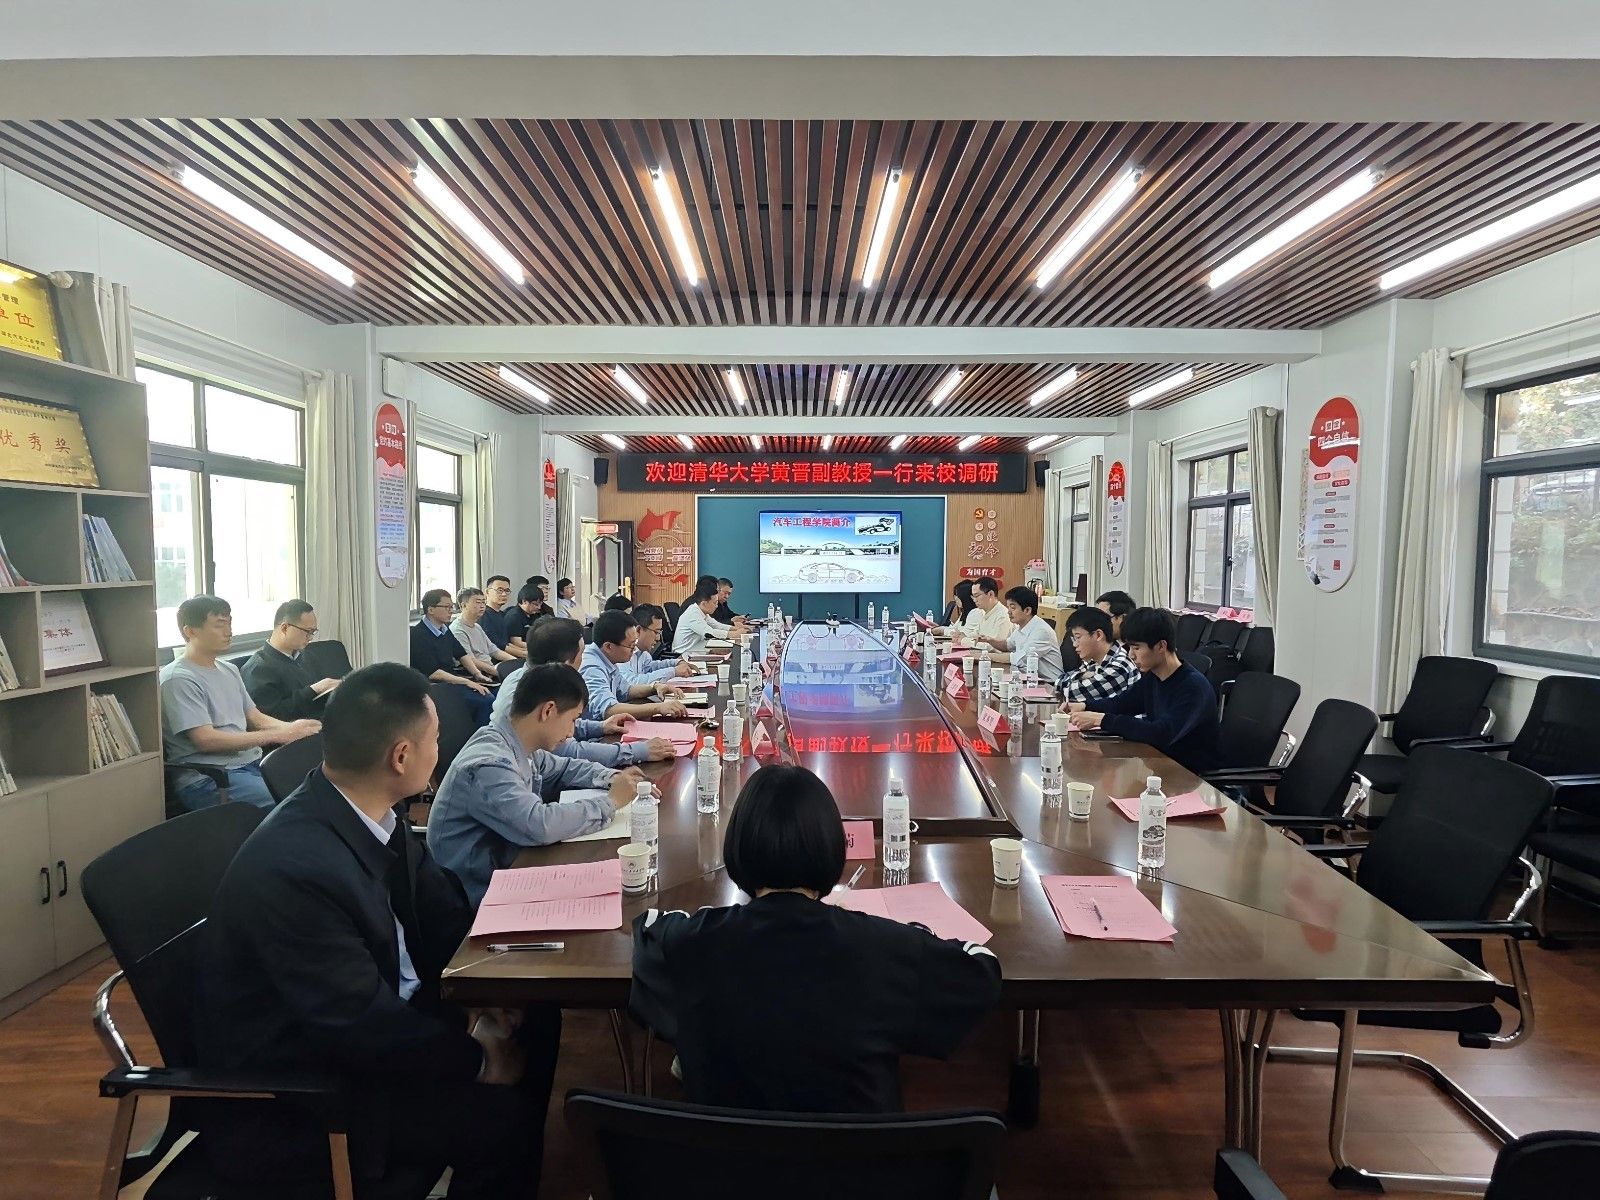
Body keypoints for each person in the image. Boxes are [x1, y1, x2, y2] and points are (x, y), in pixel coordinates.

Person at [194, 663, 561, 1199]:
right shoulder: (295, 871)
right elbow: (357, 1027)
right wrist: (479, 1058)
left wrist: (487, 997)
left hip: (381, 1019)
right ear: (401, 757)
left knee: (537, 1017)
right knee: (502, 1121)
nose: (441, 751)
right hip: (311, 1091)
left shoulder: (370, 814)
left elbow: (441, 915)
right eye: (436, 739)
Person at [630, 765, 1000, 1112]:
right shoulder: (886, 948)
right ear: (831, 847)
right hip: (860, 1160)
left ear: (738, 846)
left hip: (723, 1158)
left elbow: (649, 929)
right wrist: (915, 934)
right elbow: (981, 970)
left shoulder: (693, 941)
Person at [428, 663, 652, 906]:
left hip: (512, 868)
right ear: (548, 711)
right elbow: (538, 824)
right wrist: (612, 801)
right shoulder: (490, 764)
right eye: (572, 720)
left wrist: (613, 778)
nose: (571, 732)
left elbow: (565, 768)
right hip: (476, 898)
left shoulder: (518, 745)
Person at [161, 594, 321, 811]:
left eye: (229, 623)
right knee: (294, 806)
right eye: (219, 625)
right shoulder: (178, 678)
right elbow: (206, 740)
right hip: (209, 776)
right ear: (190, 631)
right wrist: (281, 735)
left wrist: (297, 728)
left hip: (249, 763)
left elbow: (255, 717)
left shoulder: (228, 669)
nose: (228, 631)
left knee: (318, 789)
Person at [493, 618, 673, 769]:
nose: (584, 661)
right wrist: (638, 751)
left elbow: (564, 725)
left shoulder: (538, 679)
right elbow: (569, 751)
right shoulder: (528, 694)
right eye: (581, 655)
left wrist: (601, 727)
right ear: (565, 663)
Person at [1065, 606, 1220, 773]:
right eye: (1129, 648)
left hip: (1191, 775)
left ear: (1161, 646)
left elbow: (1161, 733)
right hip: (1159, 763)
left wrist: (1101, 720)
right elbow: (1123, 703)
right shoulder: (1153, 677)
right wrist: (1084, 706)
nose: (1131, 655)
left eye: (1137, 648)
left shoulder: (1192, 687)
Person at [241, 598, 342, 722]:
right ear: (285, 628)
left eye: (313, 632)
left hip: (323, 721)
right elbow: (271, 718)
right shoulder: (258, 669)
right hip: (294, 730)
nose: (310, 637)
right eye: (307, 631)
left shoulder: (306, 656)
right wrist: (314, 690)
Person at [581, 610, 690, 721]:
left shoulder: (608, 658)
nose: (634, 651)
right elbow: (608, 710)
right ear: (608, 646)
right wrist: (658, 708)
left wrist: (654, 687)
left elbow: (625, 691)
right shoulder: (592, 667)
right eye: (631, 646)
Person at [410, 588, 496, 726]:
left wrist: (477, 674)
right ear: (431, 609)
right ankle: (476, 736)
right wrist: (466, 682)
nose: (451, 611)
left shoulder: (445, 629)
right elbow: (433, 672)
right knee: (486, 700)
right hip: (436, 686)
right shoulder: (418, 635)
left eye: (452, 607)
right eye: (447, 607)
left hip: (452, 680)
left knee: (493, 690)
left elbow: (461, 654)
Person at [974, 585, 1063, 684]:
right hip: (1028, 678)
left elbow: (1019, 658)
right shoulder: (1022, 626)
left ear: (1027, 610)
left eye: (1013, 608)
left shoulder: (1042, 631)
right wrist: (989, 640)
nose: (1008, 612)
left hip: (1049, 684)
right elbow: (1007, 645)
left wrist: (982, 656)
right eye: (1008, 607)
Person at [1055, 605, 1139, 706]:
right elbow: (1059, 680)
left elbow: (1074, 693)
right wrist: (1082, 675)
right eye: (1073, 639)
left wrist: (1071, 681)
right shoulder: (1094, 661)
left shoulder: (1119, 665)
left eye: (1078, 637)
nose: (1074, 644)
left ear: (1098, 635)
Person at [622, 603, 694, 687]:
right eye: (656, 632)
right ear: (638, 630)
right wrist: (673, 671)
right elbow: (631, 683)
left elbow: (651, 667)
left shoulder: (643, 652)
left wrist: (676, 663)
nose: (658, 638)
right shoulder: (622, 651)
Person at [672, 578, 747, 655]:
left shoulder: (702, 611)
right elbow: (709, 632)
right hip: (683, 654)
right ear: (704, 603)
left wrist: (736, 629)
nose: (716, 606)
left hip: (697, 647)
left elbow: (717, 625)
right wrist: (734, 634)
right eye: (715, 603)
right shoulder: (692, 614)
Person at [451, 587, 518, 672]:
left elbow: (494, 651)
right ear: (463, 605)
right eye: (478, 602)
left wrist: (516, 661)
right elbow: (470, 661)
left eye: (483, 602)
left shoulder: (477, 627)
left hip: (490, 668)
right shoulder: (457, 629)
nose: (482, 606)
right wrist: (499, 672)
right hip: (476, 673)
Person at [959, 575, 1013, 644]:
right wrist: (962, 636)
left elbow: (994, 646)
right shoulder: (983, 613)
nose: (974, 600)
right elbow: (977, 635)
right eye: (973, 596)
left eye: (977, 596)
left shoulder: (1003, 615)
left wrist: (965, 640)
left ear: (990, 594)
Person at [504, 578, 552, 656]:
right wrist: (539, 647)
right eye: (535, 604)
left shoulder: (534, 614)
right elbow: (517, 642)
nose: (539, 607)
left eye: (540, 604)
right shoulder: (514, 616)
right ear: (524, 601)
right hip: (520, 653)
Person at [480, 575, 517, 654]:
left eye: (507, 590)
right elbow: (495, 644)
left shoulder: (502, 614)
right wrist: (523, 654)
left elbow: (506, 643)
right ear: (487, 592)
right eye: (500, 590)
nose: (504, 594)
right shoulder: (483, 614)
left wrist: (525, 652)